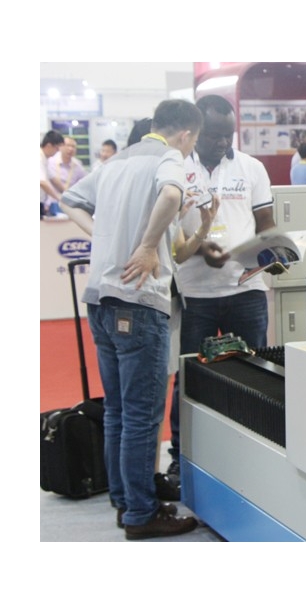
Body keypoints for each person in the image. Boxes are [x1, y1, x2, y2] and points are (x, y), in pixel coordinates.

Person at [60, 98, 203, 539]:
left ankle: (125, 501)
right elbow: (172, 194)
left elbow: (69, 200)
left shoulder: (116, 162)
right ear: (186, 134)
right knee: (142, 415)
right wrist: (144, 246)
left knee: (118, 410)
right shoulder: (169, 158)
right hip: (138, 301)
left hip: (100, 301)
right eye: (193, 141)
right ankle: (142, 514)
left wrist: (104, 239)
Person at [168, 94, 277, 482]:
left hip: (246, 290)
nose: (221, 142)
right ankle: (183, 454)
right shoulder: (176, 168)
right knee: (191, 375)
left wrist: (275, 251)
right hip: (196, 292)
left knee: (254, 373)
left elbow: (265, 224)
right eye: (214, 134)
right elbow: (169, 231)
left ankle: (255, 450)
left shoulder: (251, 168)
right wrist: (200, 252)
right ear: (195, 131)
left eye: (227, 134)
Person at [46, 136, 88, 217]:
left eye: (73, 146)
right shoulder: (50, 161)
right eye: (68, 145)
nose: (70, 149)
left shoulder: (78, 166)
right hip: (51, 204)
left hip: (69, 206)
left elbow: (84, 185)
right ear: (60, 147)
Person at [40, 130, 64, 218]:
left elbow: (53, 179)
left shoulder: (45, 159)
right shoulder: (39, 158)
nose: (57, 152)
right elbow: (42, 182)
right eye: (57, 149)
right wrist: (58, 198)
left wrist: (66, 193)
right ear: (49, 145)